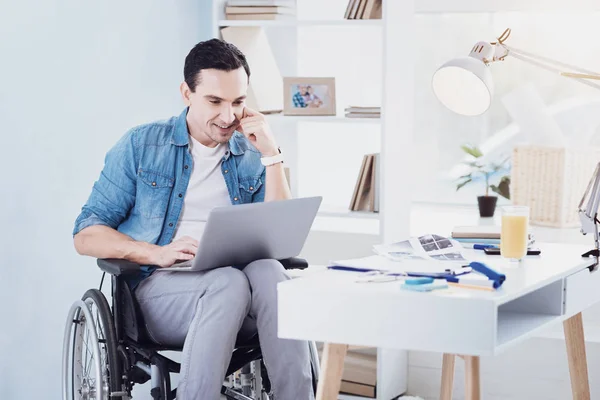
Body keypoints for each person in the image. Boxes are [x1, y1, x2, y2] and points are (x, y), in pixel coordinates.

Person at [72, 38, 314, 400]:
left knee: (272, 273)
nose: (228, 116)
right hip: (161, 293)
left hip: (241, 294)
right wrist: (155, 252)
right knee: (228, 282)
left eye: (238, 102)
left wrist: (272, 154)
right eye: (215, 101)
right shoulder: (141, 146)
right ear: (187, 93)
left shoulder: (250, 152)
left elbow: (277, 239)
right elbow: (85, 235)